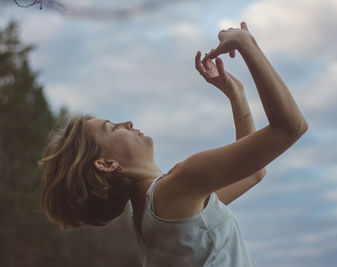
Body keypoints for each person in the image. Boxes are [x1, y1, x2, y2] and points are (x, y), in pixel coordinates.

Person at [38, 21, 308, 266]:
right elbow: (289, 127)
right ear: (107, 164)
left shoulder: (157, 213)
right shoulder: (178, 186)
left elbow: (253, 173)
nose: (127, 123)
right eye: (112, 127)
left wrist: (236, 95)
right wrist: (247, 45)